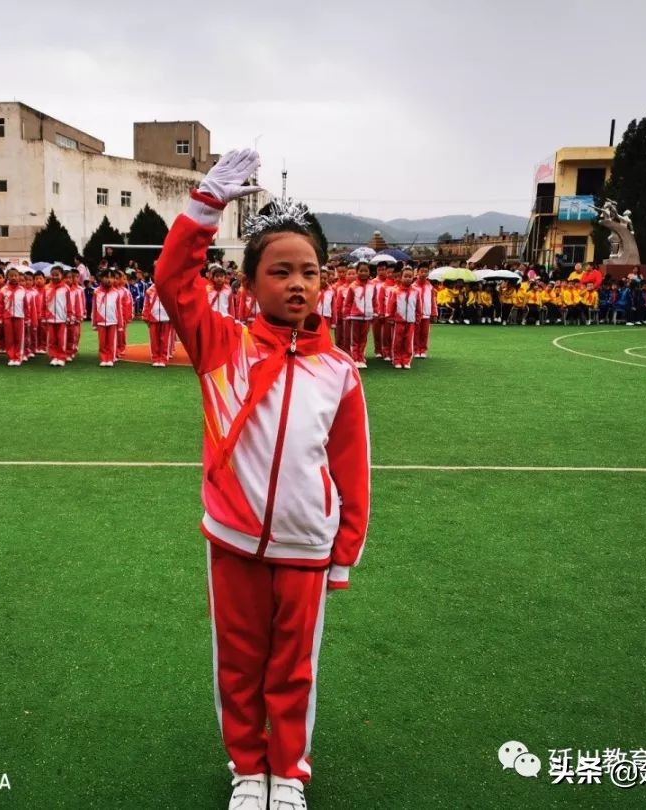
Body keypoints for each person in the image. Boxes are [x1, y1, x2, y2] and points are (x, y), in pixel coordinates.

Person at [154, 149, 369, 810]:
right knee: (241, 667)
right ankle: (249, 771)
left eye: (309, 272)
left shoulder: (340, 373)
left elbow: (351, 470)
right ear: (249, 285)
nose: (297, 284)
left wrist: (343, 553)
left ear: (324, 282)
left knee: (293, 672)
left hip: (307, 548)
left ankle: (288, 774)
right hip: (234, 541)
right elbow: (172, 280)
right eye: (280, 272)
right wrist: (204, 205)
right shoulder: (222, 347)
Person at [342, 262, 374, 368]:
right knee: (354, 339)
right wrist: (346, 314)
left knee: (363, 338)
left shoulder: (372, 285)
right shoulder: (353, 286)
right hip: (355, 316)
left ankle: (361, 357)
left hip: (368, 316)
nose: (363, 273)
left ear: (369, 272)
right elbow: (348, 302)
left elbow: (374, 300)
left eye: (366, 271)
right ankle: (355, 358)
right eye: (361, 271)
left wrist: (376, 311)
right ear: (357, 272)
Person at [387, 267, 421, 368]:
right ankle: (397, 360)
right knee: (397, 342)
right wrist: (390, 317)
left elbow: (418, 306)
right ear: (401, 277)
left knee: (408, 341)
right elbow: (391, 305)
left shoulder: (416, 292)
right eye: (405, 276)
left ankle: (406, 360)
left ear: (413, 278)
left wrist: (418, 318)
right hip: (398, 321)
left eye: (410, 277)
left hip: (410, 321)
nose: (407, 278)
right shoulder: (395, 291)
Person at [92, 270, 123, 367]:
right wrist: (94, 323)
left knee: (111, 342)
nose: (108, 280)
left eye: (111, 278)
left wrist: (120, 324)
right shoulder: (96, 292)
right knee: (102, 342)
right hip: (101, 321)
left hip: (113, 321)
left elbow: (119, 309)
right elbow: (94, 308)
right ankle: (103, 358)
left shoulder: (117, 293)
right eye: (106, 277)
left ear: (114, 279)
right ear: (101, 278)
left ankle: (110, 358)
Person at [142, 277, 174, 367]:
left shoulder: (170, 290)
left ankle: (163, 358)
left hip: (166, 318)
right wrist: (145, 316)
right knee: (154, 340)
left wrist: (173, 317)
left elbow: (173, 304)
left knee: (165, 340)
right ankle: (155, 358)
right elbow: (146, 304)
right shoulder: (149, 291)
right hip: (153, 318)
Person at [44, 266, 70, 366]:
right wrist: (43, 315)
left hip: (62, 318)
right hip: (50, 318)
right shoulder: (46, 288)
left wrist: (69, 315)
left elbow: (68, 303)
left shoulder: (66, 288)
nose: (54, 277)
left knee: (61, 339)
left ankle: (61, 357)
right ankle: (53, 356)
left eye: (57, 275)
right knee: (51, 339)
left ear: (62, 276)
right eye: (53, 275)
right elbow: (43, 303)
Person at [412, 263, 436, 357]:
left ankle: (423, 350)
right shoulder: (413, 286)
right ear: (417, 272)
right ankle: (416, 349)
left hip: (426, 313)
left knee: (425, 333)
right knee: (416, 332)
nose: (423, 274)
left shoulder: (430, 286)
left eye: (426, 272)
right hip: (416, 314)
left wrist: (434, 313)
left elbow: (433, 300)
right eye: (422, 271)